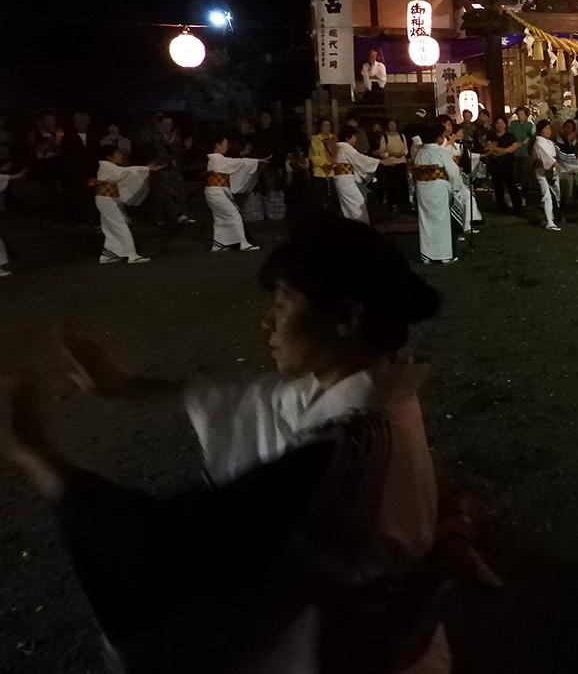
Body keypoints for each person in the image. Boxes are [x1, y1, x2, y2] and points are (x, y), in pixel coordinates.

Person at [5, 216, 460, 673]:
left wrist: (35, 453)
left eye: (282, 303)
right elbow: (254, 397)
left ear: (345, 317)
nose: (266, 321)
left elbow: (174, 546)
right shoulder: (384, 385)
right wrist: (128, 386)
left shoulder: (351, 443)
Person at [94, 143, 157, 265]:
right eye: (117, 153)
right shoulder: (107, 166)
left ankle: (109, 254)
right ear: (109, 156)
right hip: (106, 198)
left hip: (106, 198)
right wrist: (146, 169)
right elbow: (127, 172)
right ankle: (131, 254)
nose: (120, 155)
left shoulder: (108, 167)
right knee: (120, 225)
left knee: (111, 226)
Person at [412, 123, 465, 264]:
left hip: (423, 188)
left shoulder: (419, 153)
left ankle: (427, 255)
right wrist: (456, 187)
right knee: (442, 221)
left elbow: (414, 172)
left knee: (425, 220)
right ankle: (444, 255)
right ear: (438, 137)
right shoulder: (440, 152)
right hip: (438, 189)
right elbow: (453, 173)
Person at [205, 135, 265, 253]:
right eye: (225, 144)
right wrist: (257, 161)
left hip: (215, 191)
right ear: (218, 145)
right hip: (216, 192)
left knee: (221, 218)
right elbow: (236, 163)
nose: (227, 147)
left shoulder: (217, 159)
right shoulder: (216, 159)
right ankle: (243, 243)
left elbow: (234, 163)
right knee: (234, 215)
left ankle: (219, 244)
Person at [334, 127, 400, 225]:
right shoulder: (344, 147)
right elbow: (360, 159)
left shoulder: (338, 147)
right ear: (348, 138)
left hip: (342, 179)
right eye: (354, 137)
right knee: (357, 205)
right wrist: (380, 162)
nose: (356, 139)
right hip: (345, 180)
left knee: (349, 207)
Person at [149, 116, 196, 225]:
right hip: (160, 169)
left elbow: (180, 154)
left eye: (170, 124)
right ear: (159, 124)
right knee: (163, 193)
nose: (168, 126)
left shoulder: (175, 137)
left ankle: (181, 214)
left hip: (174, 170)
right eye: (165, 124)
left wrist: (186, 148)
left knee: (178, 191)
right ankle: (163, 216)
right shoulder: (154, 138)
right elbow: (153, 153)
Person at [61, 112, 99, 225]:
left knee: (91, 196)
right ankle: (76, 219)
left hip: (91, 172)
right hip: (75, 173)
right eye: (79, 122)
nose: (82, 124)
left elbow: (95, 154)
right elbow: (68, 157)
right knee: (76, 195)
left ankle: (90, 218)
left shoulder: (93, 136)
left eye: (85, 122)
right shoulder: (68, 137)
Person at [253, 110, 287, 222]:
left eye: (268, 116)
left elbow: (280, 150)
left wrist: (279, 165)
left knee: (275, 191)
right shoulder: (256, 134)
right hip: (261, 165)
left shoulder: (277, 132)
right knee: (262, 190)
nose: (265, 119)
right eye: (263, 116)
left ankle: (276, 215)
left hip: (274, 165)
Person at [485, 116, 523, 212]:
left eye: (502, 123)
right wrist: (504, 150)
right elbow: (489, 148)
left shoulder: (510, 136)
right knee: (498, 187)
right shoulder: (491, 135)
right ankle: (502, 208)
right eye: (498, 123)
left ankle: (517, 207)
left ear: (506, 124)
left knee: (512, 186)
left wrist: (499, 150)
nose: (500, 125)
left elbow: (513, 148)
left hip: (508, 165)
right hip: (495, 165)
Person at [530, 119, 562, 232]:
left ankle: (551, 217)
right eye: (546, 129)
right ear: (540, 130)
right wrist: (559, 166)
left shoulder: (550, 142)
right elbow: (546, 158)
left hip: (551, 172)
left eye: (549, 128)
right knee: (547, 196)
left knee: (555, 194)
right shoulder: (539, 142)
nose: (548, 131)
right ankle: (549, 221)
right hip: (542, 173)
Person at [378, 119, 410, 211]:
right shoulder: (384, 137)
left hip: (401, 163)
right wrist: (392, 154)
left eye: (394, 124)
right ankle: (392, 204)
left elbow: (406, 149)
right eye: (391, 124)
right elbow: (381, 153)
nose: (393, 126)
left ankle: (405, 204)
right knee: (391, 185)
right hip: (390, 165)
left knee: (403, 184)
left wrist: (402, 154)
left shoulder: (401, 136)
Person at [309, 119, 338, 212]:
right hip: (319, 171)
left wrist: (332, 164)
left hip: (332, 171)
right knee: (319, 197)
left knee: (333, 196)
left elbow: (336, 153)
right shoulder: (315, 139)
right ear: (320, 127)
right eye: (325, 125)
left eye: (329, 125)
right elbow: (313, 156)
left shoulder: (334, 138)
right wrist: (325, 164)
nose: (327, 127)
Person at [509, 108, 535, 200]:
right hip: (513, 152)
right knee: (514, 174)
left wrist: (524, 143)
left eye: (522, 114)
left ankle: (524, 195)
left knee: (524, 174)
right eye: (519, 114)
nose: (520, 116)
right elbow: (510, 135)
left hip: (524, 153)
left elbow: (531, 137)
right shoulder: (514, 124)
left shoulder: (529, 125)